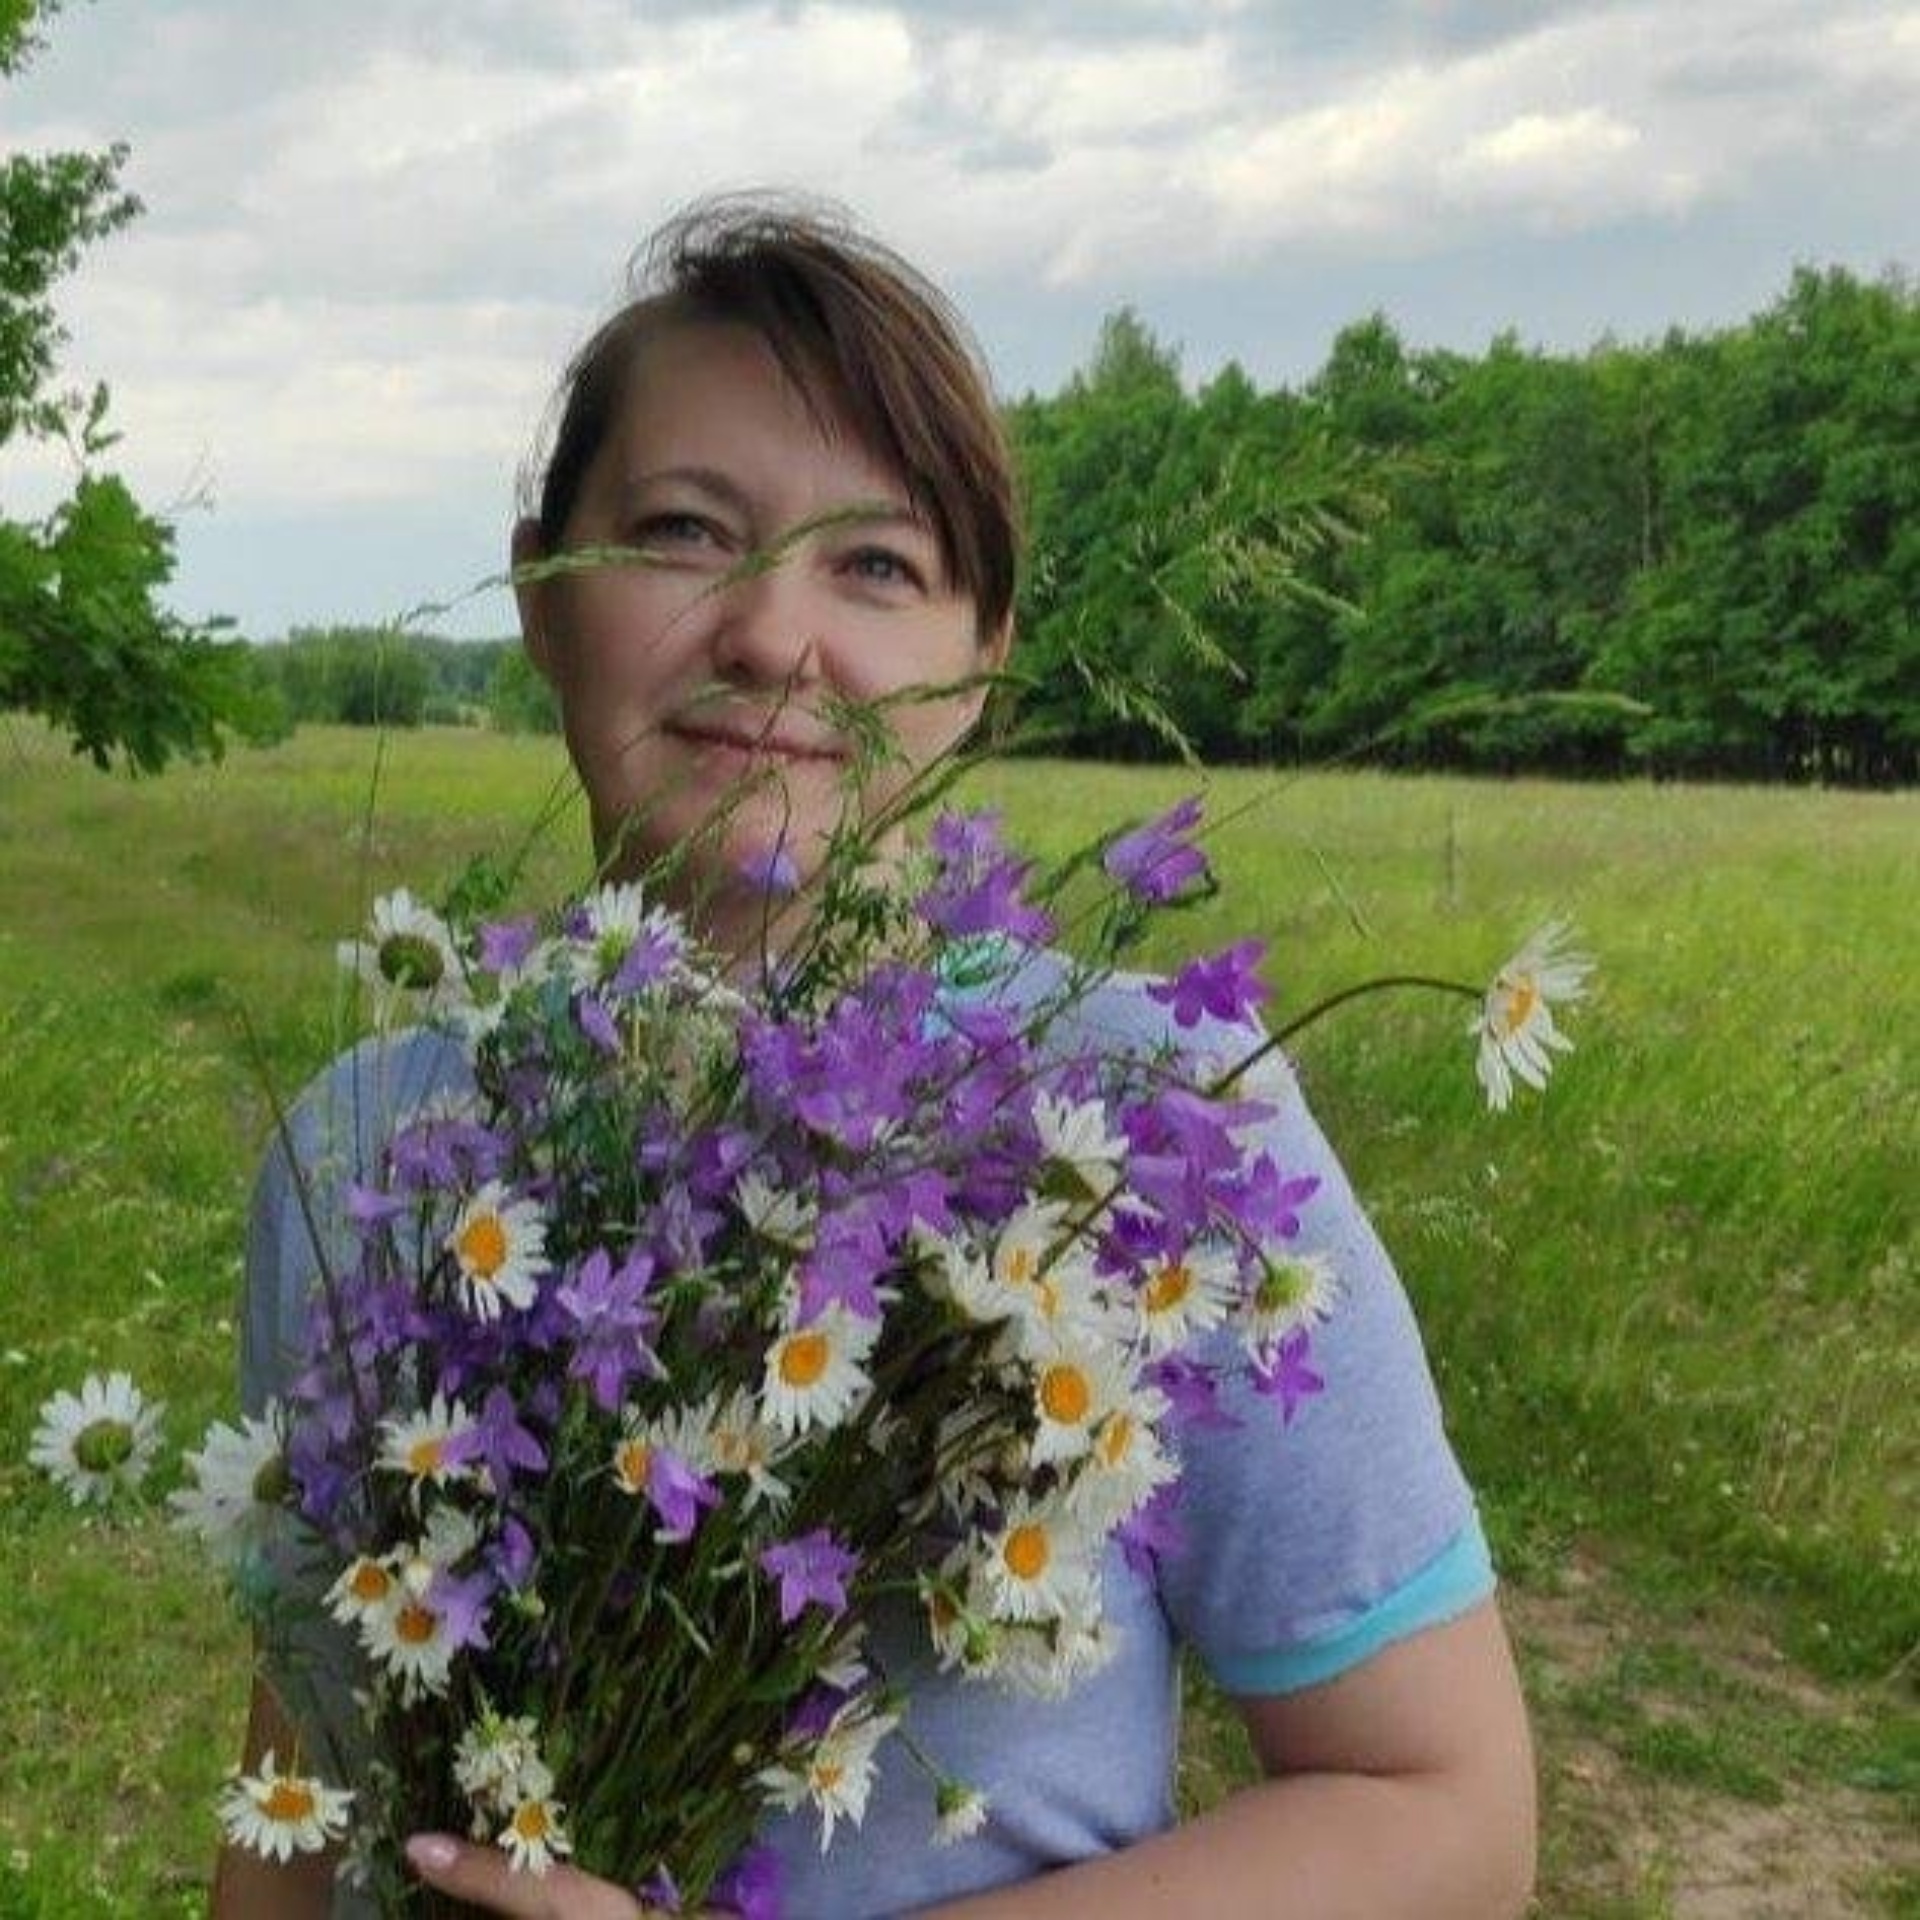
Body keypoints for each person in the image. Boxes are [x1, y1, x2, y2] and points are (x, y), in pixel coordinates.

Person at [214, 195, 1536, 1919]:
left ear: (977, 661)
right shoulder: (364, 1149)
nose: (774, 637)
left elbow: (1445, 1811)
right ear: (544, 591)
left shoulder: (1157, 1124)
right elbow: (305, 1742)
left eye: (878, 566)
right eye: (685, 530)